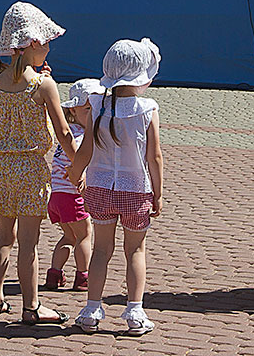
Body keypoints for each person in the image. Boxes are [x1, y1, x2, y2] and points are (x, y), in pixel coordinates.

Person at [0, 2, 72, 325]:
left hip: (0, 166)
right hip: (30, 169)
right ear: (33, 43)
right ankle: (32, 306)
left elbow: (17, 84)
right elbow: (62, 131)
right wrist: (78, 164)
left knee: (4, 235)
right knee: (29, 243)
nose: (48, 47)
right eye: (46, 42)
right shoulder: (43, 85)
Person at [68, 38, 164, 336]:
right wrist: (158, 194)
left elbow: (85, 151)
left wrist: (74, 175)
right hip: (134, 189)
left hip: (99, 188)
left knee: (100, 249)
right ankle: (135, 311)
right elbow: (155, 156)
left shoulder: (97, 103)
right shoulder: (147, 108)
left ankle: (91, 309)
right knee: (135, 249)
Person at [43, 78, 101, 293]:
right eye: (87, 109)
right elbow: (78, 165)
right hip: (72, 196)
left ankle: (54, 273)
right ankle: (83, 276)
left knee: (69, 236)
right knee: (85, 235)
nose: (93, 114)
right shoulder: (79, 137)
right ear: (73, 112)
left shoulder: (70, 136)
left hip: (57, 196)